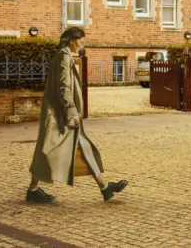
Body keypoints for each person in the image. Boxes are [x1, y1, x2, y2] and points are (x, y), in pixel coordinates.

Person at [26, 27, 128, 203]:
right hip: (60, 114)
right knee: (48, 151)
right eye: (81, 40)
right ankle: (33, 190)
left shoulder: (64, 56)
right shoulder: (63, 57)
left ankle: (105, 188)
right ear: (72, 40)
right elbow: (63, 87)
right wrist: (71, 112)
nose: (82, 43)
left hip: (61, 113)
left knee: (80, 147)